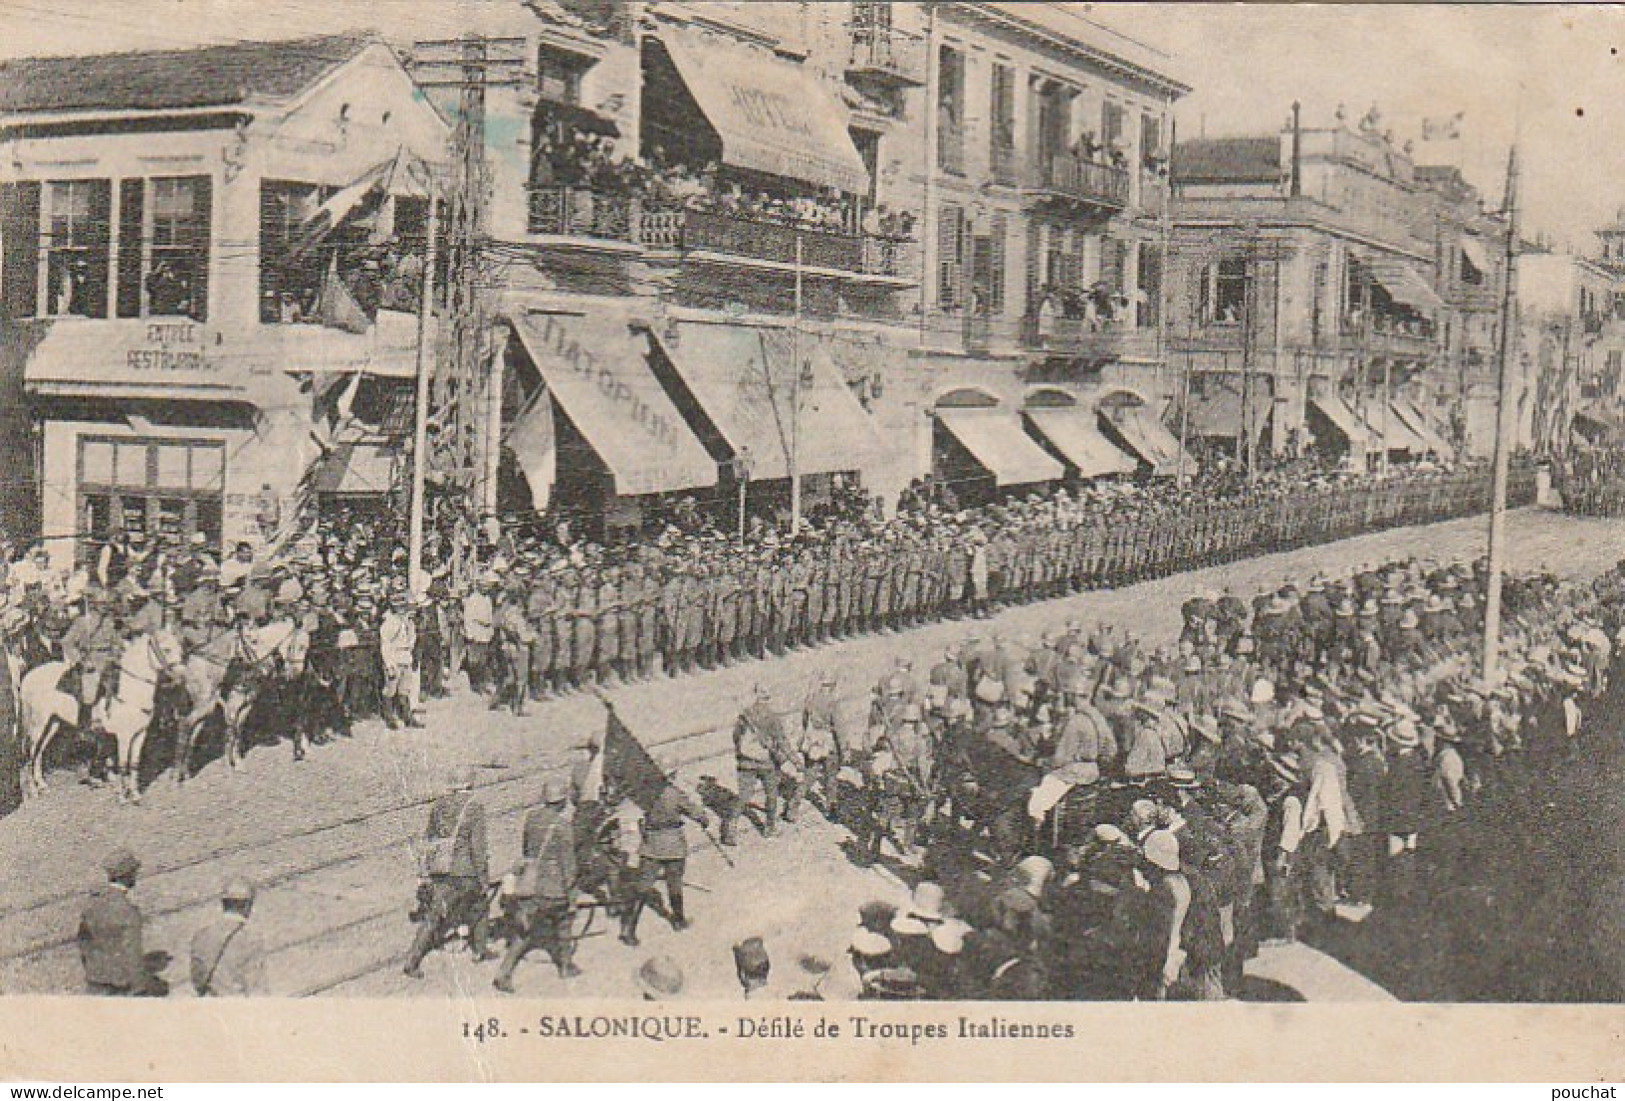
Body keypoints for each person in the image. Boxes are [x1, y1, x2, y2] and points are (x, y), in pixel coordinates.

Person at [404, 766, 493, 978]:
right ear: (470, 784)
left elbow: (430, 838)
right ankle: (480, 950)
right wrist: (483, 877)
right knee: (480, 903)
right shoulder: (474, 807)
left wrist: (428, 869)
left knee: (434, 915)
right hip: (464, 870)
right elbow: (477, 848)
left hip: (440, 868)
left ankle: (412, 959)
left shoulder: (439, 805)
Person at [494, 777, 580, 991]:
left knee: (524, 933)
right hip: (553, 887)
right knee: (564, 922)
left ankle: (504, 973)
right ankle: (565, 966)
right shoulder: (562, 826)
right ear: (562, 802)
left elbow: (526, 851)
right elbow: (568, 864)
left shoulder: (531, 818)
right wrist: (571, 893)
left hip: (530, 884)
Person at [620, 770, 709, 946]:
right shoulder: (674, 793)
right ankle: (678, 920)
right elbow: (696, 813)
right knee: (674, 882)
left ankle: (628, 930)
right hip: (672, 845)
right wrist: (703, 819)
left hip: (650, 844)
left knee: (643, 886)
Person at [78, 848, 168, 996]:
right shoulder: (128, 912)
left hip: (94, 983)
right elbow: (133, 955)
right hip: (121, 987)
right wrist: (140, 989)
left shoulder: (91, 905)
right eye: (134, 872)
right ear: (128, 876)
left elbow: (83, 943)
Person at [189, 877, 268, 996]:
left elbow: (197, 980)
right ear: (247, 905)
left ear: (223, 904)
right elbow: (256, 987)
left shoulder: (201, 935)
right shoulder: (251, 939)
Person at [732, 685, 790, 839]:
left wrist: (741, 754)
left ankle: (730, 828)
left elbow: (736, 737)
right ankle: (769, 828)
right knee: (771, 795)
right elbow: (781, 740)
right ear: (768, 698)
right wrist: (793, 760)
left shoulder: (745, 715)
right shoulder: (772, 717)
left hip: (746, 763)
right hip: (767, 763)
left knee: (743, 796)